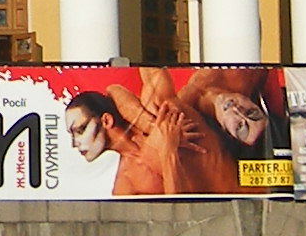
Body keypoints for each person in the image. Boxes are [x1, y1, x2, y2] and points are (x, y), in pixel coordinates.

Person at [63, 76, 232, 195]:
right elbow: (175, 215)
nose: (74, 143)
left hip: (245, 167)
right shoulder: (125, 184)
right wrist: (169, 151)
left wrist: (150, 126)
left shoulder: (157, 110)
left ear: (106, 120)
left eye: (80, 130)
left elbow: (114, 90)